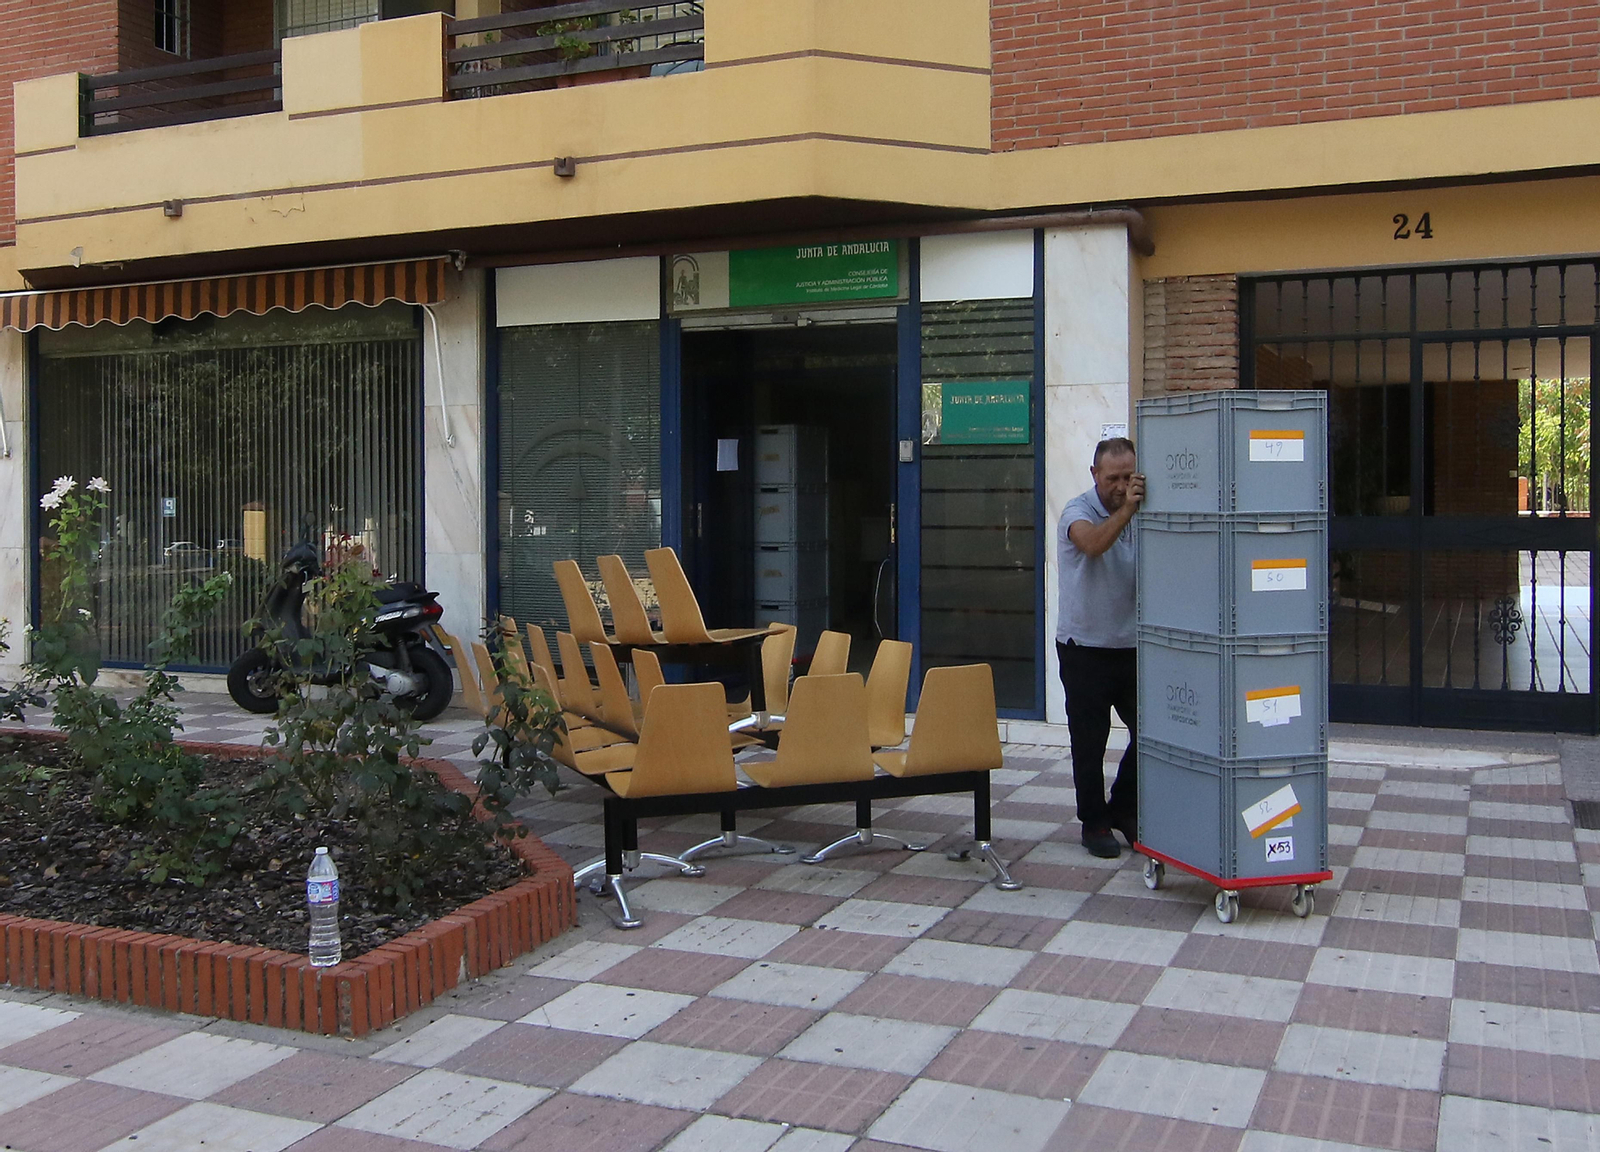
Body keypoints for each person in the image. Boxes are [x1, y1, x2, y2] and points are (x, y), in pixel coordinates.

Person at [1057, 437, 1142, 859]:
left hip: (1131, 645)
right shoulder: (1076, 511)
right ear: (1095, 475)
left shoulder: (1142, 512)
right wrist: (1126, 512)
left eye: (1129, 477)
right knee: (1090, 742)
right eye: (1113, 479)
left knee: (1155, 732)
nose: (1121, 487)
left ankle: (1124, 807)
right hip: (1084, 648)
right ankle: (1094, 822)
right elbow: (1091, 544)